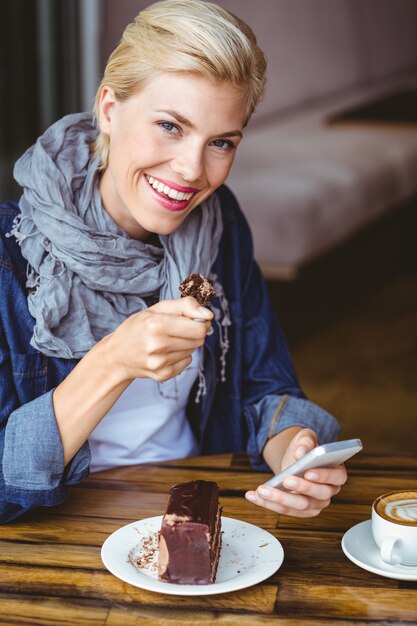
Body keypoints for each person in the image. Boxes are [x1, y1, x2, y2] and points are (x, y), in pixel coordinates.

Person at [0, 0, 346, 525]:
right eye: (169, 125)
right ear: (110, 109)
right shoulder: (10, 256)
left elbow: (264, 385)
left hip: (195, 510)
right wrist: (113, 361)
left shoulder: (220, 225)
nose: (191, 171)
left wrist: (294, 451)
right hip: (61, 532)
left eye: (221, 142)